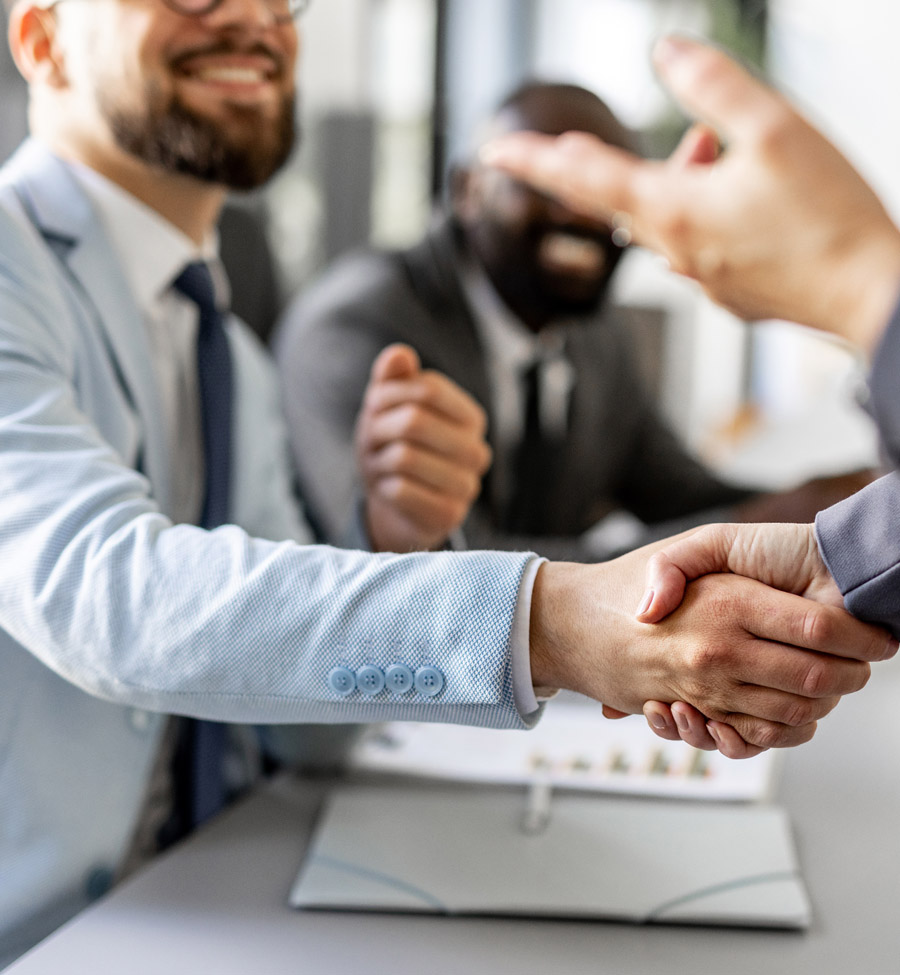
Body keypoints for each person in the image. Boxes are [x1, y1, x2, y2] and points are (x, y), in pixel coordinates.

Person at [0, 2, 890, 963]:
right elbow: (110, 591)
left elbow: (294, 731)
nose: (253, 15)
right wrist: (557, 621)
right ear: (42, 39)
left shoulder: (229, 353)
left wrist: (395, 537)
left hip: (206, 899)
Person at [480, 34, 900, 757]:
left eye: (591, 197)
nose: (577, 216)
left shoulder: (596, 338)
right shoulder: (372, 321)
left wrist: (833, 537)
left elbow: (667, 484)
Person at [274, 80, 870, 563]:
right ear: (465, 190)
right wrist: (743, 535)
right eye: (547, 181)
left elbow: (677, 493)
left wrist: (833, 508)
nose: (582, 212)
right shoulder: (357, 328)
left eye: (609, 188)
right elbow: (435, 573)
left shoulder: (596, 335)